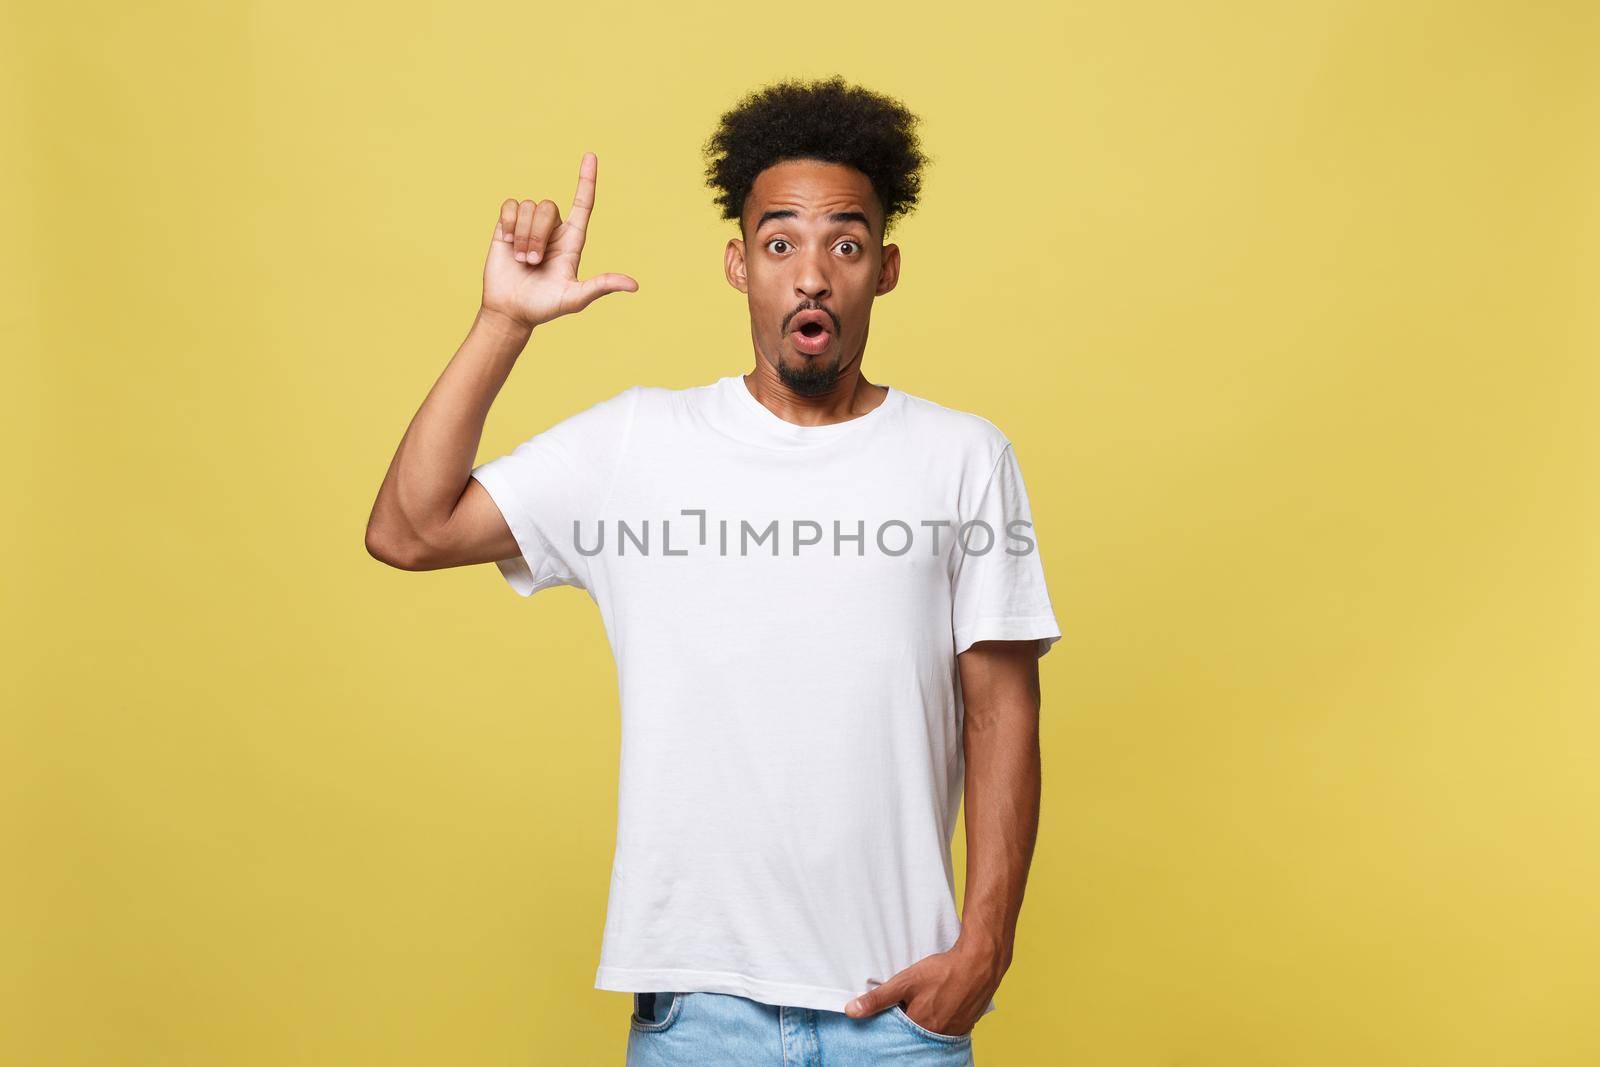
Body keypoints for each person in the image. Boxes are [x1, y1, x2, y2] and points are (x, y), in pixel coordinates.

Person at [365, 76, 1062, 1066]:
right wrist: (503, 323)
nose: (812, 275)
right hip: (698, 1020)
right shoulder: (638, 443)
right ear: (739, 265)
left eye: (845, 244)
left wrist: (984, 952)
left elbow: (1002, 710)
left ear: (885, 267)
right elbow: (409, 527)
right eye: (780, 243)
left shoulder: (962, 457)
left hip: (898, 1016)